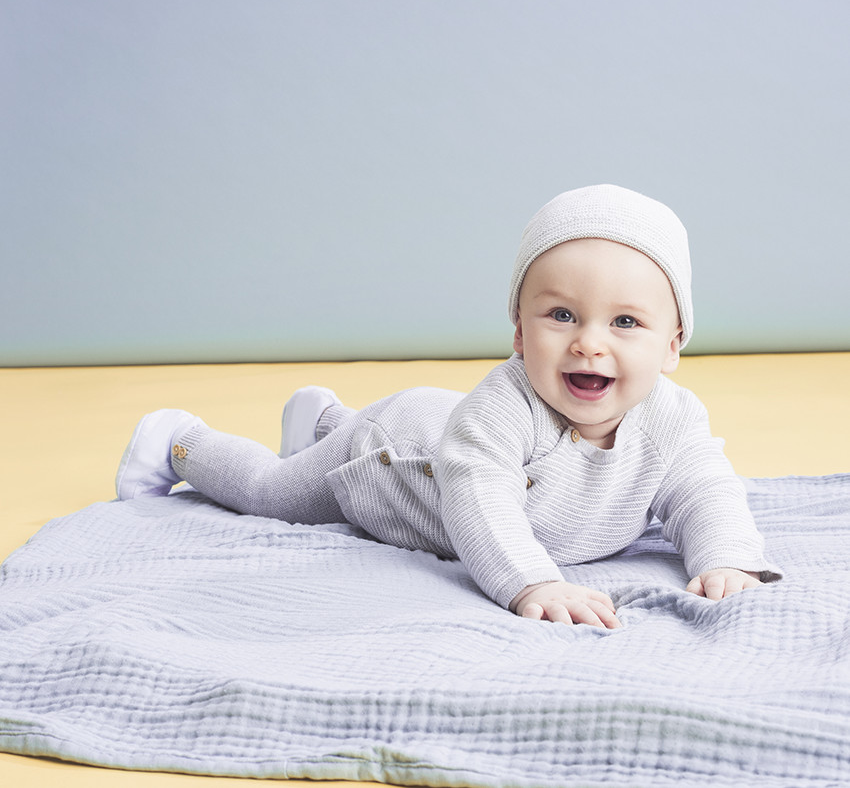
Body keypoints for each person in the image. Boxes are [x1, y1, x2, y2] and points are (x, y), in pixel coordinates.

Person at [115, 184, 781, 629]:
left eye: (626, 323)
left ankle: (320, 418)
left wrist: (724, 560)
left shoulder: (673, 418)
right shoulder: (502, 409)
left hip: (436, 427)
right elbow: (483, 504)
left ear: (673, 345)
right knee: (269, 492)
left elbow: (705, 491)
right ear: (520, 334)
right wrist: (531, 585)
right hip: (392, 457)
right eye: (561, 315)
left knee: (708, 502)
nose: (588, 343)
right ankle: (184, 441)